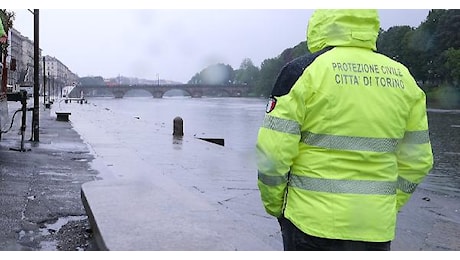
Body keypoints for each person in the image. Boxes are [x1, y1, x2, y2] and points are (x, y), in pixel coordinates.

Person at [255, 9, 433, 251]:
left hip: (310, 221)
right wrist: (387, 204)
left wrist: (276, 206)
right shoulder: (404, 79)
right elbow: (419, 161)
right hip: (374, 227)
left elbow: (273, 154)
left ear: (321, 24)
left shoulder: (303, 72)